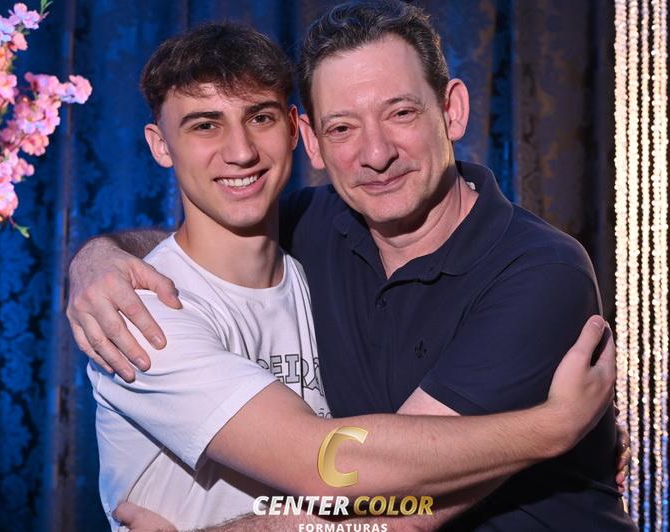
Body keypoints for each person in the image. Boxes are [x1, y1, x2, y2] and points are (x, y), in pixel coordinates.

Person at [70, 2, 633, 531]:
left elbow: (400, 507)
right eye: (342, 127)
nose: (376, 154)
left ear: (452, 110)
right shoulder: (304, 233)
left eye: (401, 113)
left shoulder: (539, 271)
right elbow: (209, 241)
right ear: (313, 140)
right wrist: (98, 258)